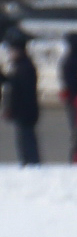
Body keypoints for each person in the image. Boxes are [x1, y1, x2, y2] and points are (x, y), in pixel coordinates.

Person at [5, 37, 37, 166]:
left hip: (24, 111)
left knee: (26, 142)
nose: (9, 54)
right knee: (24, 141)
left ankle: (30, 164)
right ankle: (29, 163)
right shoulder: (20, 66)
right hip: (24, 111)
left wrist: (11, 108)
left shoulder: (24, 67)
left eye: (11, 51)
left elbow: (18, 90)